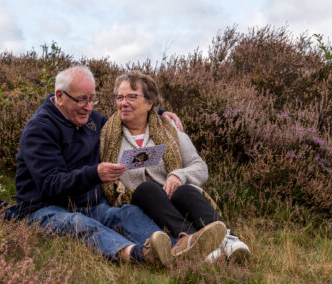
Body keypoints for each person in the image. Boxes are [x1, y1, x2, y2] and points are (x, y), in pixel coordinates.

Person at [14, 65, 223, 266]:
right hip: (44, 208)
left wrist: (159, 113)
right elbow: (51, 185)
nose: (88, 106)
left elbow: (125, 118)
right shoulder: (39, 129)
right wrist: (95, 174)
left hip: (91, 204)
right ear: (59, 96)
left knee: (129, 213)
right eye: (81, 100)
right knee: (79, 224)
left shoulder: (90, 119)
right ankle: (139, 254)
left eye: (92, 99)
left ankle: (179, 248)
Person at [100, 70, 250, 262]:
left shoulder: (171, 132)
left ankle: (228, 240)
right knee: (146, 189)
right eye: (120, 97)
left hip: (175, 201)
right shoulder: (107, 136)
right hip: (139, 206)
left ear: (149, 103)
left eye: (131, 96)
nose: (123, 103)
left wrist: (179, 175)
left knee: (185, 191)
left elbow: (200, 168)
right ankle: (192, 242)